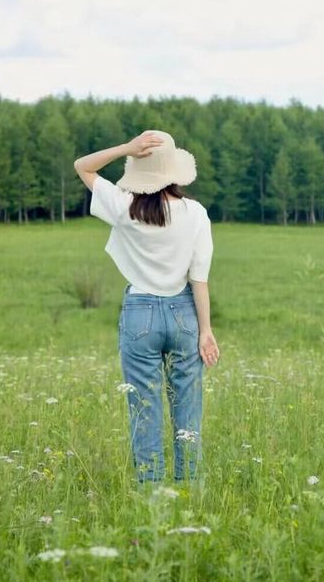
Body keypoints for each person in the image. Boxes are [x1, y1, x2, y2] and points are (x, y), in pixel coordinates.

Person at [73, 129, 220, 485]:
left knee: (144, 408)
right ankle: (189, 490)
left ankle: (151, 493)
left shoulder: (124, 206)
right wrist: (206, 331)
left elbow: (83, 167)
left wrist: (127, 148)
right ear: (174, 171)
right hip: (185, 313)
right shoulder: (196, 213)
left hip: (140, 314)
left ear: (139, 170)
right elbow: (199, 277)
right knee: (188, 411)